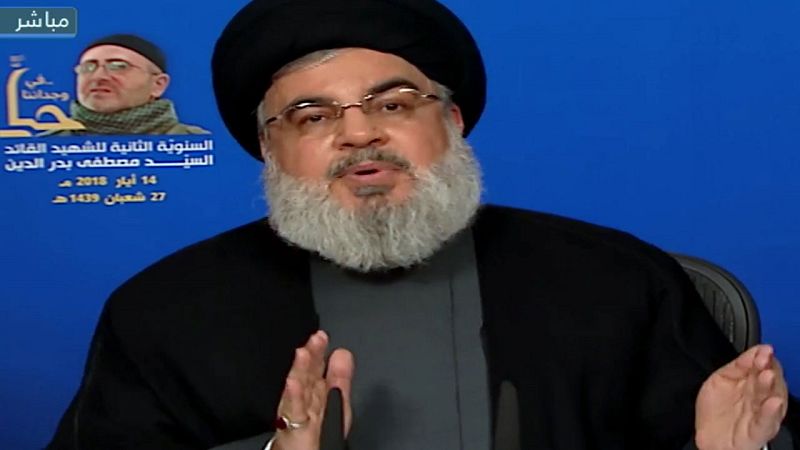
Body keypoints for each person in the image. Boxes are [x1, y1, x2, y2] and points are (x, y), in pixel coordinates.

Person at [47, 0, 799, 449]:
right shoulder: (163, 311)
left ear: (454, 121)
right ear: (269, 149)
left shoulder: (614, 278)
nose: (359, 133)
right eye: (312, 116)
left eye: (394, 104)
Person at [42, 34, 208, 136]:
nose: (98, 76)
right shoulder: (45, 148)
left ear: (158, 85)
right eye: (88, 67)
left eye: (118, 66)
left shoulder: (199, 145)